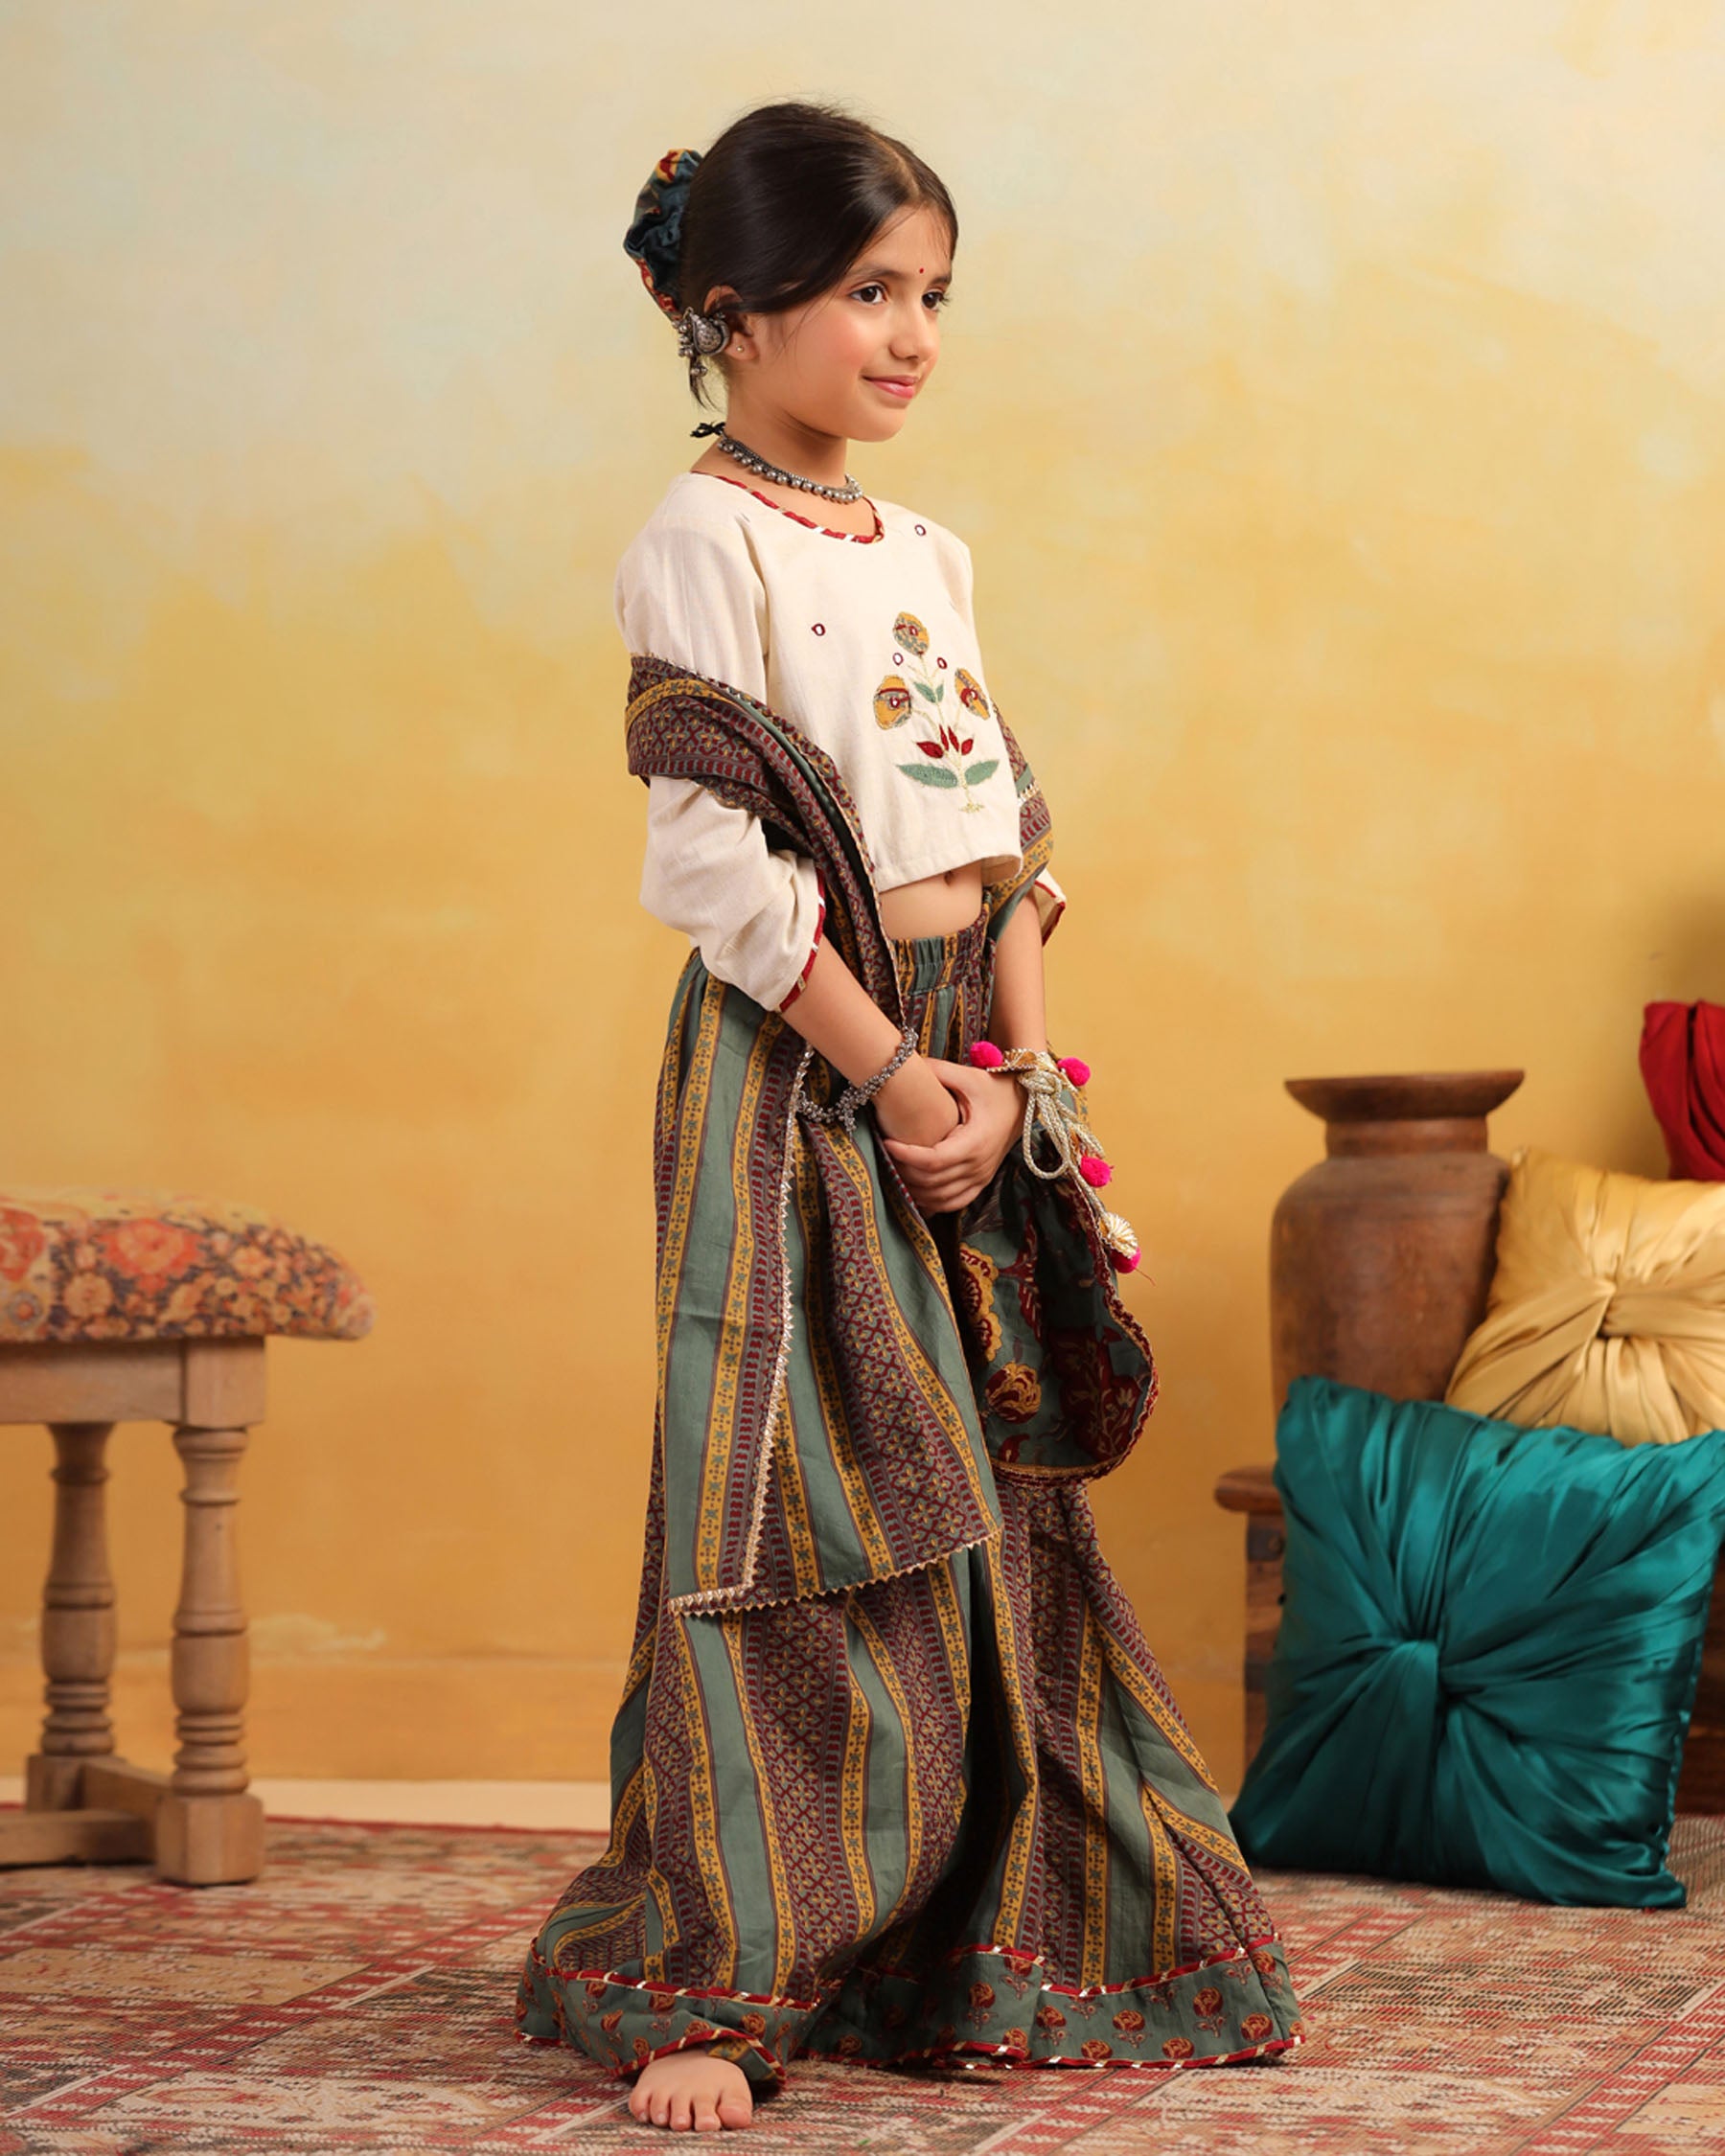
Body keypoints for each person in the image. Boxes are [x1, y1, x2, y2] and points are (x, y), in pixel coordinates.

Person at [515, 97, 1307, 2135]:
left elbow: (1003, 843)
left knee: (994, 1482)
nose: (914, 336)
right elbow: (719, 870)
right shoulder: (700, 543)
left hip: (964, 1054)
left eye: (934, 295)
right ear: (732, 310)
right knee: (799, 1500)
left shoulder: (930, 553)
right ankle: (717, 1975)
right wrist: (889, 1071)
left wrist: (1016, 1076)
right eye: (870, 292)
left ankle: (962, 1926)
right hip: (811, 1064)